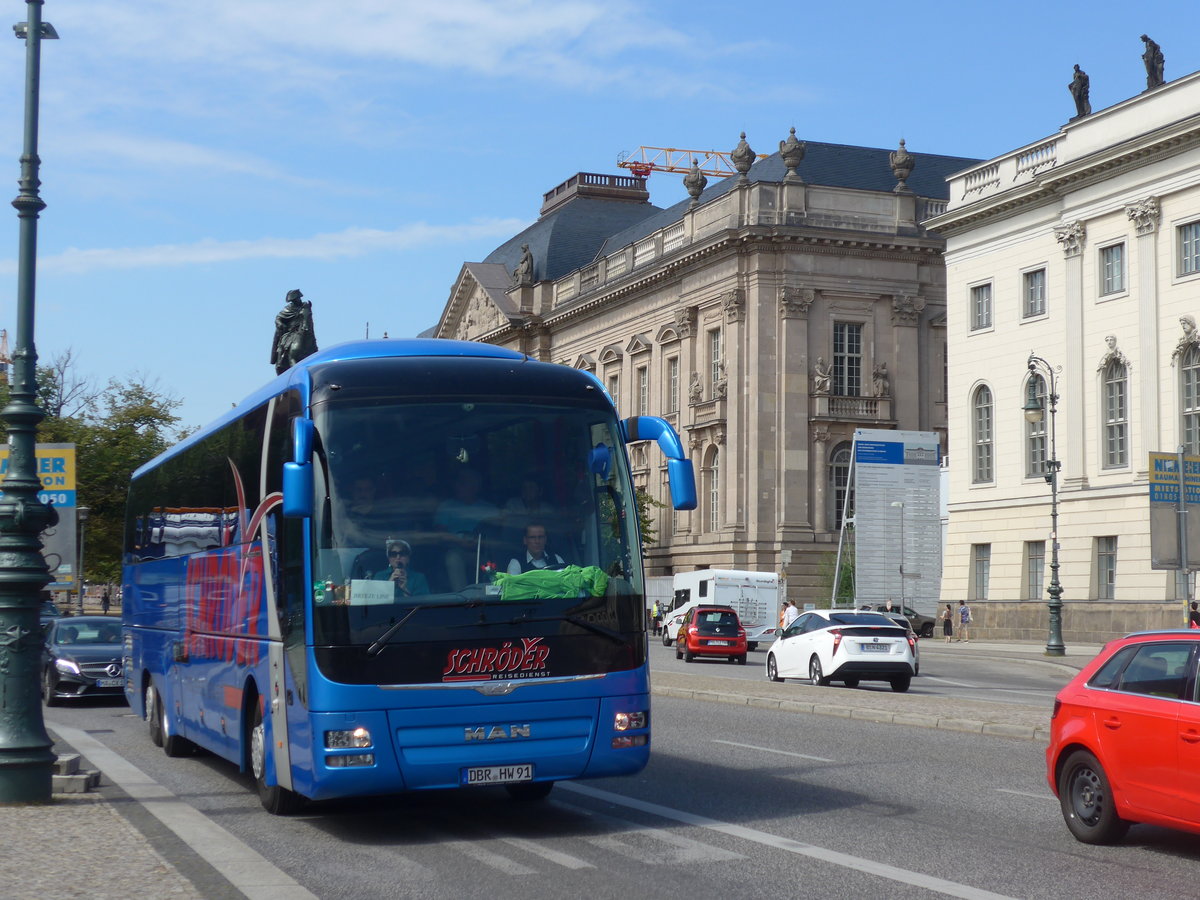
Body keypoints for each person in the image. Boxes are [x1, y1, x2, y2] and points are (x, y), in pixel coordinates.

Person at [435, 468, 500, 588]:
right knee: (452, 558)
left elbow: (498, 536)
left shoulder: (489, 509)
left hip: (482, 552)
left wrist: (480, 543)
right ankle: (461, 596)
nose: (458, 486)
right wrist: (459, 541)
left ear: (475, 487)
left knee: (492, 565)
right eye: (458, 483)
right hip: (456, 550)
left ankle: (495, 594)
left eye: (463, 483)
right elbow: (440, 534)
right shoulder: (447, 506)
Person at [270, 288, 318, 375]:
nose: (298, 300)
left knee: (312, 340)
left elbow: (307, 316)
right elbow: (278, 318)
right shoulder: (288, 309)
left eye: (298, 298)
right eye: (295, 299)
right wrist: (280, 323)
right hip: (291, 331)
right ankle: (280, 359)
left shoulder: (305, 306)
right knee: (283, 342)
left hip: (304, 328)